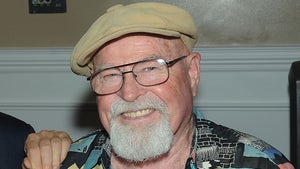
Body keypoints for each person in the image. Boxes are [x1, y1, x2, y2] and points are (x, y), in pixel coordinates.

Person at [22, 2, 295, 169]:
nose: (129, 93)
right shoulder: (65, 163)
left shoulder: (258, 164)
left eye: (151, 68)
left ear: (192, 72)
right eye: (110, 75)